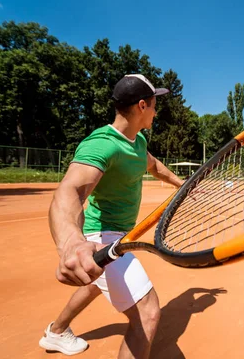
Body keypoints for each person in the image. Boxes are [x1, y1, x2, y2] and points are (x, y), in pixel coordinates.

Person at [39, 74, 184, 358]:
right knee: (148, 313)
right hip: (99, 238)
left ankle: (56, 332)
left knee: (97, 284)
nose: (157, 110)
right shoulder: (103, 143)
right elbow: (70, 192)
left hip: (119, 235)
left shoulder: (137, 141)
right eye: (155, 104)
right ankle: (56, 331)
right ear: (143, 105)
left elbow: (155, 167)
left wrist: (185, 185)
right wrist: (71, 242)